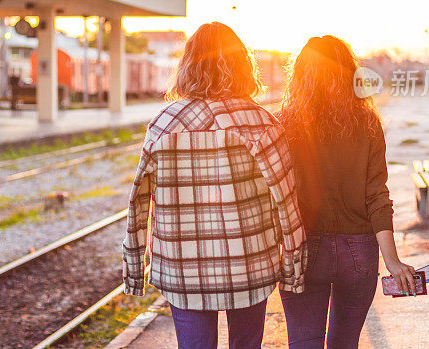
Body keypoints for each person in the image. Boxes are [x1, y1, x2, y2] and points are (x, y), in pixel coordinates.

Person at [122, 22, 305, 349]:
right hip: (250, 264)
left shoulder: (164, 124)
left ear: (187, 64)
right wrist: (293, 267)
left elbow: (138, 203)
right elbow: (286, 202)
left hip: (182, 268)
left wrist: (135, 268)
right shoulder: (261, 122)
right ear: (242, 65)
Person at [278, 35, 415, 349]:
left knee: (303, 343)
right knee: (345, 343)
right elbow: (377, 195)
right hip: (359, 251)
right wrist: (392, 261)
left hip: (302, 249)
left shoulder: (283, 124)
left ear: (300, 76)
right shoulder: (367, 123)